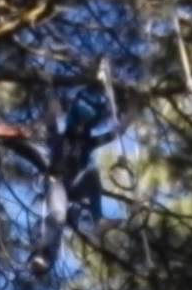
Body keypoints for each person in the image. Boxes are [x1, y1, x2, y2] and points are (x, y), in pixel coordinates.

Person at [30, 90, 124, 276]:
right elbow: (50, 120)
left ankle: (99, 220)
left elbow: (115, 134)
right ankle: (45, 254)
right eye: (78, 124)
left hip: (74, 186)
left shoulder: (88, 142)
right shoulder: (58, 138)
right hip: (56, 182)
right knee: (58, 216)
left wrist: (134, 111)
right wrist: (51, 97)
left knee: (93, 174)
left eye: (84, 125)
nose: (81, 128)